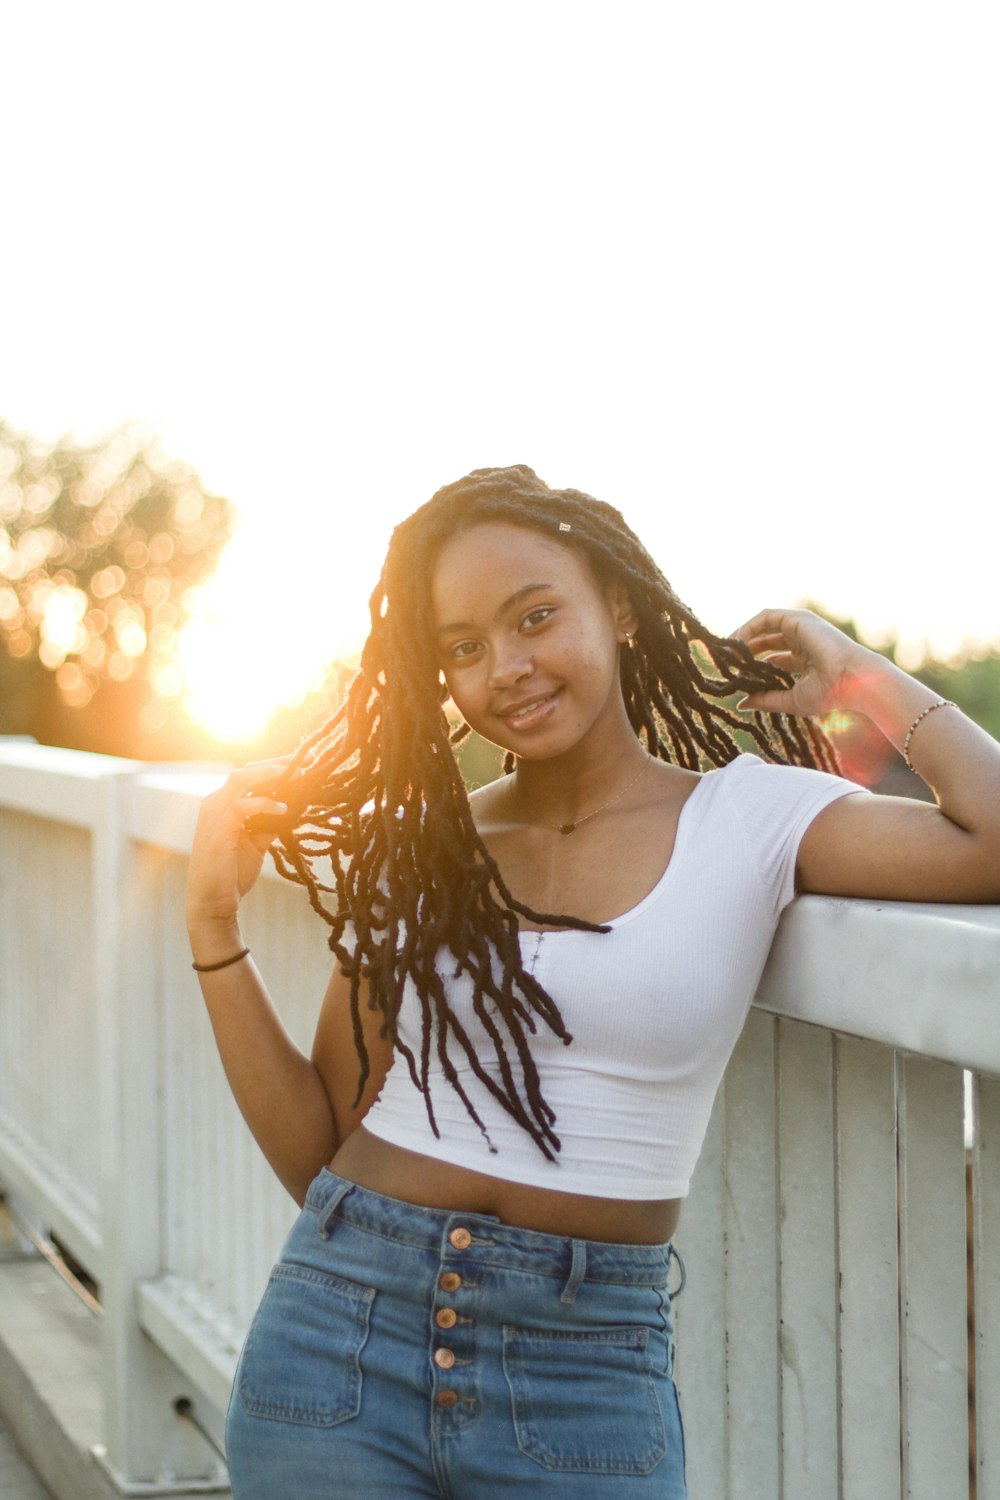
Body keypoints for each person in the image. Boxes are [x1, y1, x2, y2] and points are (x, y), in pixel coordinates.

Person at [186, 464, 1000, 1499]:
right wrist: (213, 929)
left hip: (584, 1373)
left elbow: (991, 836)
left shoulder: (748, 820)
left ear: (618, 607)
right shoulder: (425, 850)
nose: (508, 668)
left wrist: (857, 674)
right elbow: (317, 1151)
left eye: (536, 617)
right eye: (464, 648)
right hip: (340, 1335)